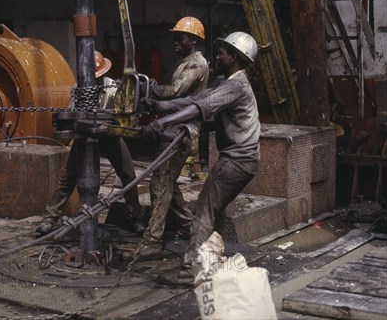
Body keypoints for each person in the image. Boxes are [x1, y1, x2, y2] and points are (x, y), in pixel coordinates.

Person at [141, 31, 260, 287]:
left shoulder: (235, 85)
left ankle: (190, 270)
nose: (218, 56)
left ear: (235, 57)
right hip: (243, 160)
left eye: (222, 52)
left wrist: (162, 122)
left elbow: (198, 109)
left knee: (204, 211)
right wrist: (159, 105)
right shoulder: (232, 83)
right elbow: (197, 98)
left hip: (237, 160)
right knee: (215, 213)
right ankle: (211, 263)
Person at [36, 51, 145, 236]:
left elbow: (123, 113)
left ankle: (135, 218)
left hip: (110, 135)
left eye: (99, 76)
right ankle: (49, 219)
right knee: (68, 179)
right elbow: (72, 113)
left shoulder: (113, 87)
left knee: (128, 176)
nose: (96, 79)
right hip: (85, 136)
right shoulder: (78, 89)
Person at [134, 16, 209, 260]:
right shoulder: (184, 62)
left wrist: (151, 90)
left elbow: (176, 92)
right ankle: (190, 227)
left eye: (181, 37)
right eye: (175, 37)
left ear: (194, 40)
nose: (175, 41)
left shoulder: (197, 64)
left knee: (161, 183)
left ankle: (152, 241)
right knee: (167, 183)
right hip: (173, 131)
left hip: (182, 133)